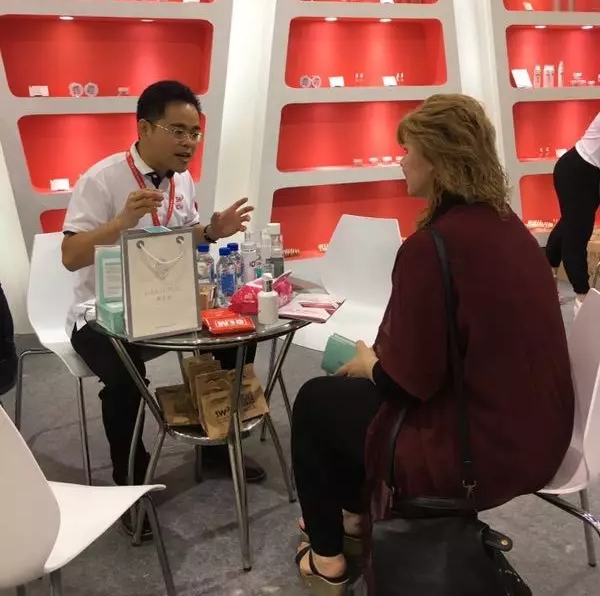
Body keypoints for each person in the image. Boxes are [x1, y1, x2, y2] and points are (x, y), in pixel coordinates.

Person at [291, 94, 574, 594]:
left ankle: (328, 556)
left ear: (438, 159)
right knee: (345, 400)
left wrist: (369, 363)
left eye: (408, 150)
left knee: (318, 401)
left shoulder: (432, 247)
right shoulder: (509, 226)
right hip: (541, 432)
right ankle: (353, 518)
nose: (401, 161)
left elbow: (409, 381)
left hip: (476, 449)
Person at [62, 81, 265, 525]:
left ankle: (216, 446)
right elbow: (70, 256)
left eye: (195, 133)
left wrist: (211, 231)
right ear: (144, 128)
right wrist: (121, 221)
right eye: (178, 131)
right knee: (125, 378)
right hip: (103, 315)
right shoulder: (101, 179)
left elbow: (179, 239)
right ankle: (130, 485)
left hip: (168, 305)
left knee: (236, 338)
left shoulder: (183, 179)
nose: (189, 142)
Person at [546, 112, 600, 317]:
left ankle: (547, 277)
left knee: (569, 224)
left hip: (593, 173)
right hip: (577, 171)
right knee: (578, 232)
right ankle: (582, 297)